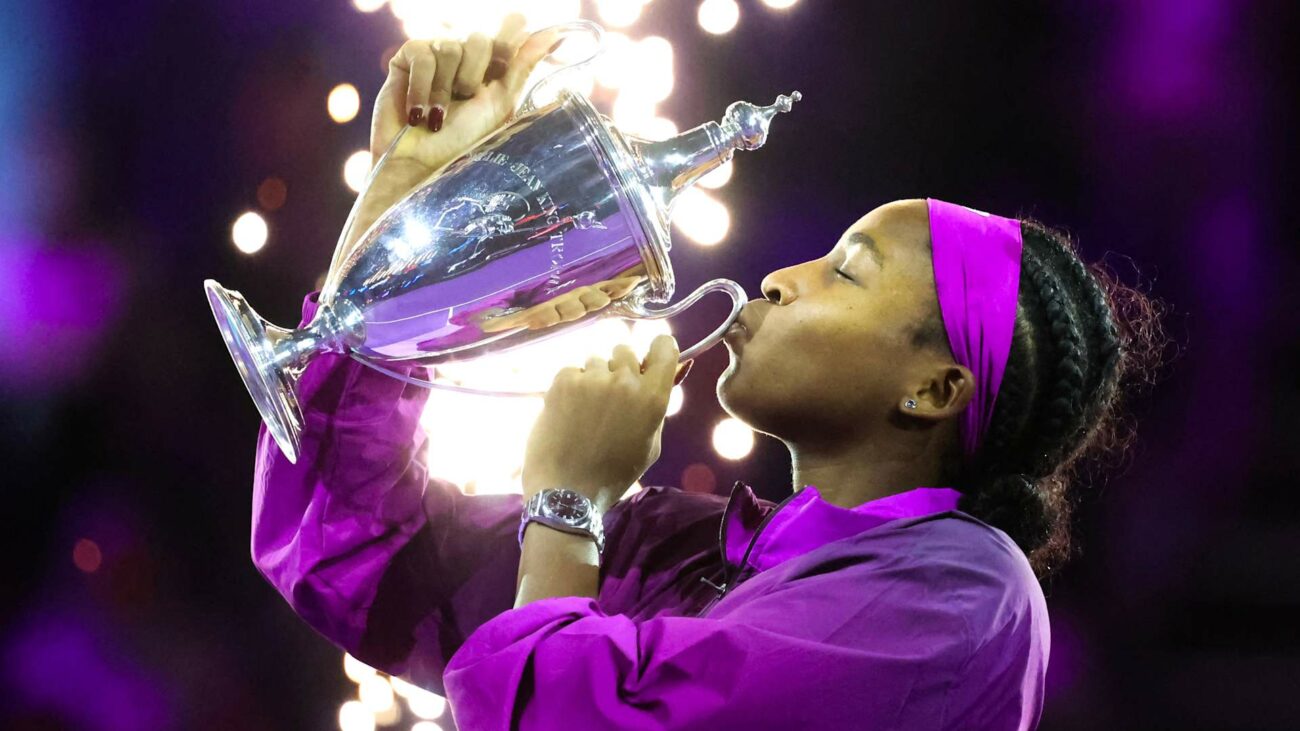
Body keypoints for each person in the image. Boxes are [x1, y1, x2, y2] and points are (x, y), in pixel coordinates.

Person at [248, 15, 1167, 731]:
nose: (782, 276)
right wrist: (412, 199)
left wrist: (567, 505)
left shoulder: (966, 597)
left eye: (846, 271)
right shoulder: (693, 552)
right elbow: (353, 557)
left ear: (932, 388)